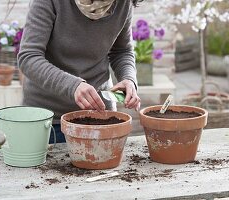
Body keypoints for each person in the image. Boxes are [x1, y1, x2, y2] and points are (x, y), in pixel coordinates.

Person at [18, 0, 142, 143]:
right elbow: (29, 57)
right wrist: (73, 86)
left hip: (101, 117)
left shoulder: (123, 3)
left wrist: (128, 78)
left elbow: (122, 51)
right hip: (48, 120)